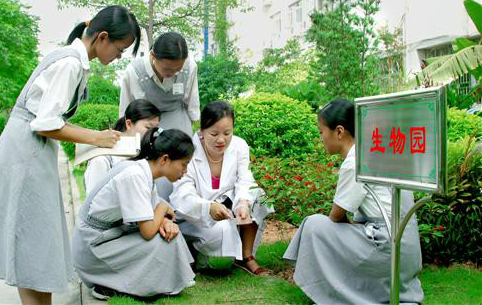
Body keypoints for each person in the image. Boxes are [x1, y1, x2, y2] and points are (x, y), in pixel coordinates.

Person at [0, 5, 141, 305]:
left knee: (33, 241)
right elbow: (46, 123)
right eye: (119, 50)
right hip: (27, 152)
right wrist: (95, 137)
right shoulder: (71, 63)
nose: (117, 58)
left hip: (25, 147)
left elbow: (47, 118)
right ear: (102, 37)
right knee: (36, 240)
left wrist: (97, 138)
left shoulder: (71, 59)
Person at [283, 99, 424, 305]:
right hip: (407, 243)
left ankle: (331, 289)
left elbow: (336, 216)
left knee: (314, 224)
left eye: (321, 132)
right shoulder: (380, 149)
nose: (320, 138)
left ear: (339, 132)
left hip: (386, 245)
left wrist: (355, 225)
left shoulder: (354, 161)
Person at [71, 128, 196, 300]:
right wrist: (162, 209)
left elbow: (153, 211)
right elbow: (147, 231)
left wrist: (165, 220)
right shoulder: (134, 175)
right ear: (165, 159)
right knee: (159, 242)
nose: (185, 171)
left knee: (170, 234)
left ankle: (127, 283)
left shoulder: (142, 171)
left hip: (106, 236)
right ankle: (107, 285)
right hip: (93, 247)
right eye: (184, 164)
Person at [170, 101, 274, 275]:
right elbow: (183, 193)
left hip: (228, 203)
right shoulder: (187, 150)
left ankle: (245, 257)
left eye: (227, 133)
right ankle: (194, 251)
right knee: (221, 231)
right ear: (202, 131)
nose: (221, 140)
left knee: (259, 197)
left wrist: (242, 203)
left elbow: (246, 179)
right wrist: (207, 207)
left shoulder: (239, 145)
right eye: (214, 133)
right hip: (195, 212)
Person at [119, 31, 200, 201]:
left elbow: (191, 102)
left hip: (179, 121)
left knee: (182, 171)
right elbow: (127, 111)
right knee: (154, 172)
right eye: (167, 69)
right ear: (153, 56)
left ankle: (182, 214)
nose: (172, 73)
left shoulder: (190, 66)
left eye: (177, 69)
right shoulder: (134, 72)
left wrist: (196, 128)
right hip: (148, 126)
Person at [84, 99, 160, 194]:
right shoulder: (102, 159)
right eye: (148, 128)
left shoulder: (144, 156)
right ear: (129, 124)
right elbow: (93, 203)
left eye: (156, 129)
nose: (153, 134)